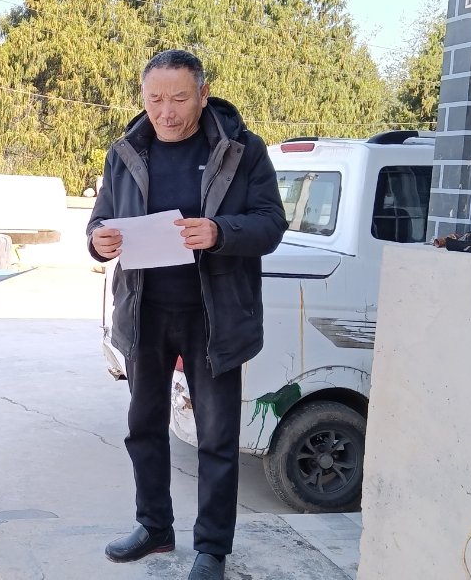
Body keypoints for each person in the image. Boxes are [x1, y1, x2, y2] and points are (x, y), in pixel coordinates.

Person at [87, 50, 287, 580]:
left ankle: (212, 548)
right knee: (143, 427)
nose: (165, 111)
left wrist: (220, 232)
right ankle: (154, 527)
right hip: (145, 312)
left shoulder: (241, 150)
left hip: (213, 316)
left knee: (216, 437)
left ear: (202, 94)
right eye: (154, 99)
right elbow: (101, 220)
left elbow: (271, 223)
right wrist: (98, 240)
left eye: (178, 98)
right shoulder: (126, 151)